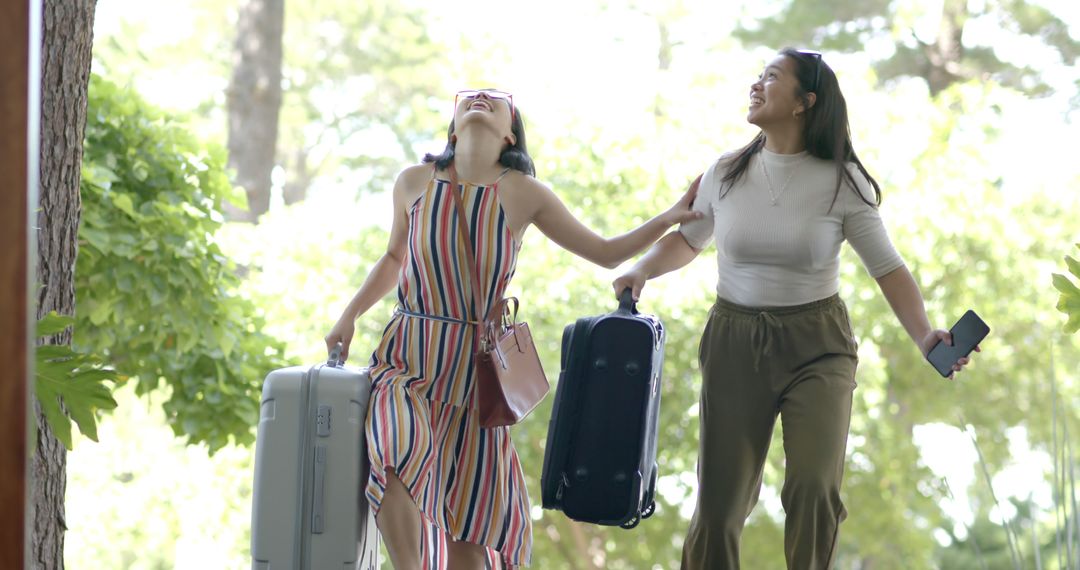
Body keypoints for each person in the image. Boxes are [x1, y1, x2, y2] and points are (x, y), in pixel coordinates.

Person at [612, 49, 979, 569]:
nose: (756, 85)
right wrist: (642, 269)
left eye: (771, 78)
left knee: (812, 488)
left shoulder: (841, 181)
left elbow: (889, 269)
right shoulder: (724, 172)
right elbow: (688, 241)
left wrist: (924, 336)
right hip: (734, 342)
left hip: (818, 347)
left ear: (805, 102)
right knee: (717, 508)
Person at [325, 88, 701, 570]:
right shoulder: (413, 182)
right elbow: (395, 257)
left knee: (468, 524)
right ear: (453, 126)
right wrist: (349, 314)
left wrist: (668, 218)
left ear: (509, 134)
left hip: (474, 376)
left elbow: (606, 252)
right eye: (469, 97)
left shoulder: (523, 193)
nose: (479, 97)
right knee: (394, 448)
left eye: (494, 99)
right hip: (408, 355)